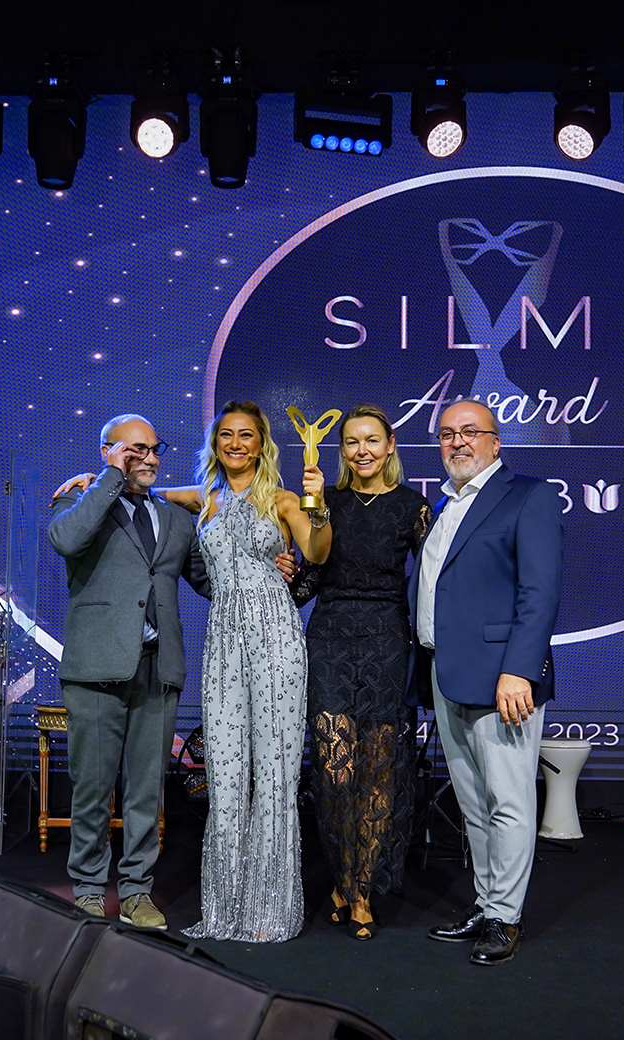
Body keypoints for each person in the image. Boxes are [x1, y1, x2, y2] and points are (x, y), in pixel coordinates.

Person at [47, 413, 210, 930]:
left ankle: (138, 890)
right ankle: (89, 890)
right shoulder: (81, 500)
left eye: (154, 448)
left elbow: (208, 579)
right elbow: (67, 540)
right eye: (135, 449)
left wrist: (265, 568)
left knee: (146, 791)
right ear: (108, 451)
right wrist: (108, 479)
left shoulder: (176, 519)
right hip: (98, 667)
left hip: (158, 669)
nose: (150, 458)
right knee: (93, 788)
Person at [415, 399, 563, 966]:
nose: (457, 441)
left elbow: (539, 592)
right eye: (447, 433)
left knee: (508, 802)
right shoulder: (443, 505)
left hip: (504, 680)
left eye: (470, 432)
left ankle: (506, 916)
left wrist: (519, 669)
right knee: (474, 804)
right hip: (446, 673)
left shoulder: (529, 496)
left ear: (496, 442)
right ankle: (487, 904)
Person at [181, 401, 331, 942]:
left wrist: (317, 502)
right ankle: (225, 909)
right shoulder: (204, 499)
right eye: (226, 435)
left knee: (274, 774)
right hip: (223, 643)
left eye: (246, 435)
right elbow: (147, 491)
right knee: (223, 775)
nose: (236, 443)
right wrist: (94, 480)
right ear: (215, 443)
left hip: (276, 638)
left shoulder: (283, 500)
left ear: (262, 444)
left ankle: (270, 912)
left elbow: (317, 551)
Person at [287, 406, 432, 941]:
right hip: (330, 641)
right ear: (341, 450)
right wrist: (281, 575)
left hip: (387, 644)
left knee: (377, 771)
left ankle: (361, 888)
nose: (362, 450)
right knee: (335, 771)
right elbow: (310, 580)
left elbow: (434, 580)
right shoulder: (324, 502)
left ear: (390, 445)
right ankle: (344, 878)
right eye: (351, 442)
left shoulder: (413, 508)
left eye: (372, 440)